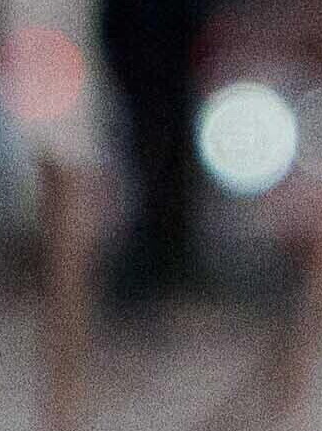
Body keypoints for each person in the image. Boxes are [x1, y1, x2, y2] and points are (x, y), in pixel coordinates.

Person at [101, 0, 214, 307]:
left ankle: (168, 255)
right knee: (144, 147)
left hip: (175, 41)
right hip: (136, 37)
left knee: (172, 149)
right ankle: (148, 257)